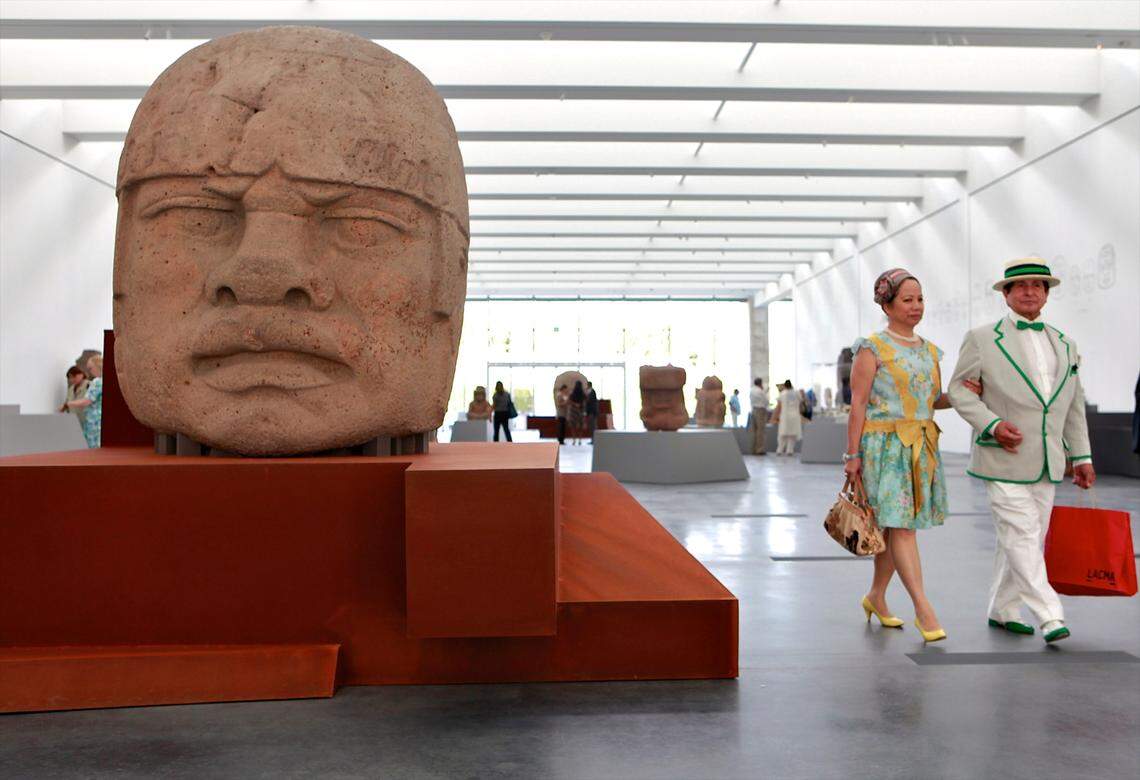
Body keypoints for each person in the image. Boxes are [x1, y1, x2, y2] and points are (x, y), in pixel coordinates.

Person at [948, 257, 1095, 644]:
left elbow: (1072, 404)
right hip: (1002, 456)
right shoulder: (981, 338)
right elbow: (960, 390)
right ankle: (1049, 614)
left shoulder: (1065, 343)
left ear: (1046, 294)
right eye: (1021, 285)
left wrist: (1081, 457)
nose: (1030, 291)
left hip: (1048, 461)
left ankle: (1003, 607)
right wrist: (992, 424)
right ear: (1007, 293)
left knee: (1020, 537)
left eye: (1038, 285)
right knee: (1022, 533)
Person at [846, 268, 956, 643]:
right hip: (884, 448)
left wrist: (961, 394)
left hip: (920, 446)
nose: (916, 307)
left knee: (895, 527)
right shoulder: (871, 348)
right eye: (907, 300)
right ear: (887, 304)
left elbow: (933, 400)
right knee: (902, 528)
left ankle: (876, 596)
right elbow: (857, 405)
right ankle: (924, 608)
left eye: (920, 299)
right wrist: (852, 455)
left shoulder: (929, 351)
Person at [67, 355, 104, 448]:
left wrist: (69, 403)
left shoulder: (97, 382)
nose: (89, 371)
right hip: (99, 420)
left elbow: (87, 401)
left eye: (90, 368)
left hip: (93, 421)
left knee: (91, 447)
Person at [772, 381, 802, 456]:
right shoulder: (796, 393)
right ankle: (790, 450)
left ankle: (779, 450)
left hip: (785, 416)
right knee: (792, 434)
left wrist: (774, 417)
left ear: (785, 386)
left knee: (782, 434)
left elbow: (779, 406)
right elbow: (801, 402)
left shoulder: (783, 393)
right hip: (795, 416)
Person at [60, 365, 90, 433]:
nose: (71, 380)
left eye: (74, 376)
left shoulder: (90, 386)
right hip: (73, 423)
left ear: (81, 374)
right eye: (70, 378)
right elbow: (67, 402)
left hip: (87, 423)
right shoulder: (71, 389)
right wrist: (63, 408)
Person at [748, 378, 768, 455]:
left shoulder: (752, 390)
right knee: (761, 430)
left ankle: (753, 449)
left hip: (753, 410)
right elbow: (766, 401)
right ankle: (759, 449)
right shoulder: (760, 391)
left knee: (754, 430)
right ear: (760, 383)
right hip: (760, 410)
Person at [568, 381, 586, 445]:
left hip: (573, 411)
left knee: (573, 426)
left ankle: (574, 439)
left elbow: (569, 401)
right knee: (580, 426)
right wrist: (580, 405)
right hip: (580, 411)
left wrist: (575, 404)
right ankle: (580, 440)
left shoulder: (572, 393)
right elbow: (585, 401)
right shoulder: (583, 393)